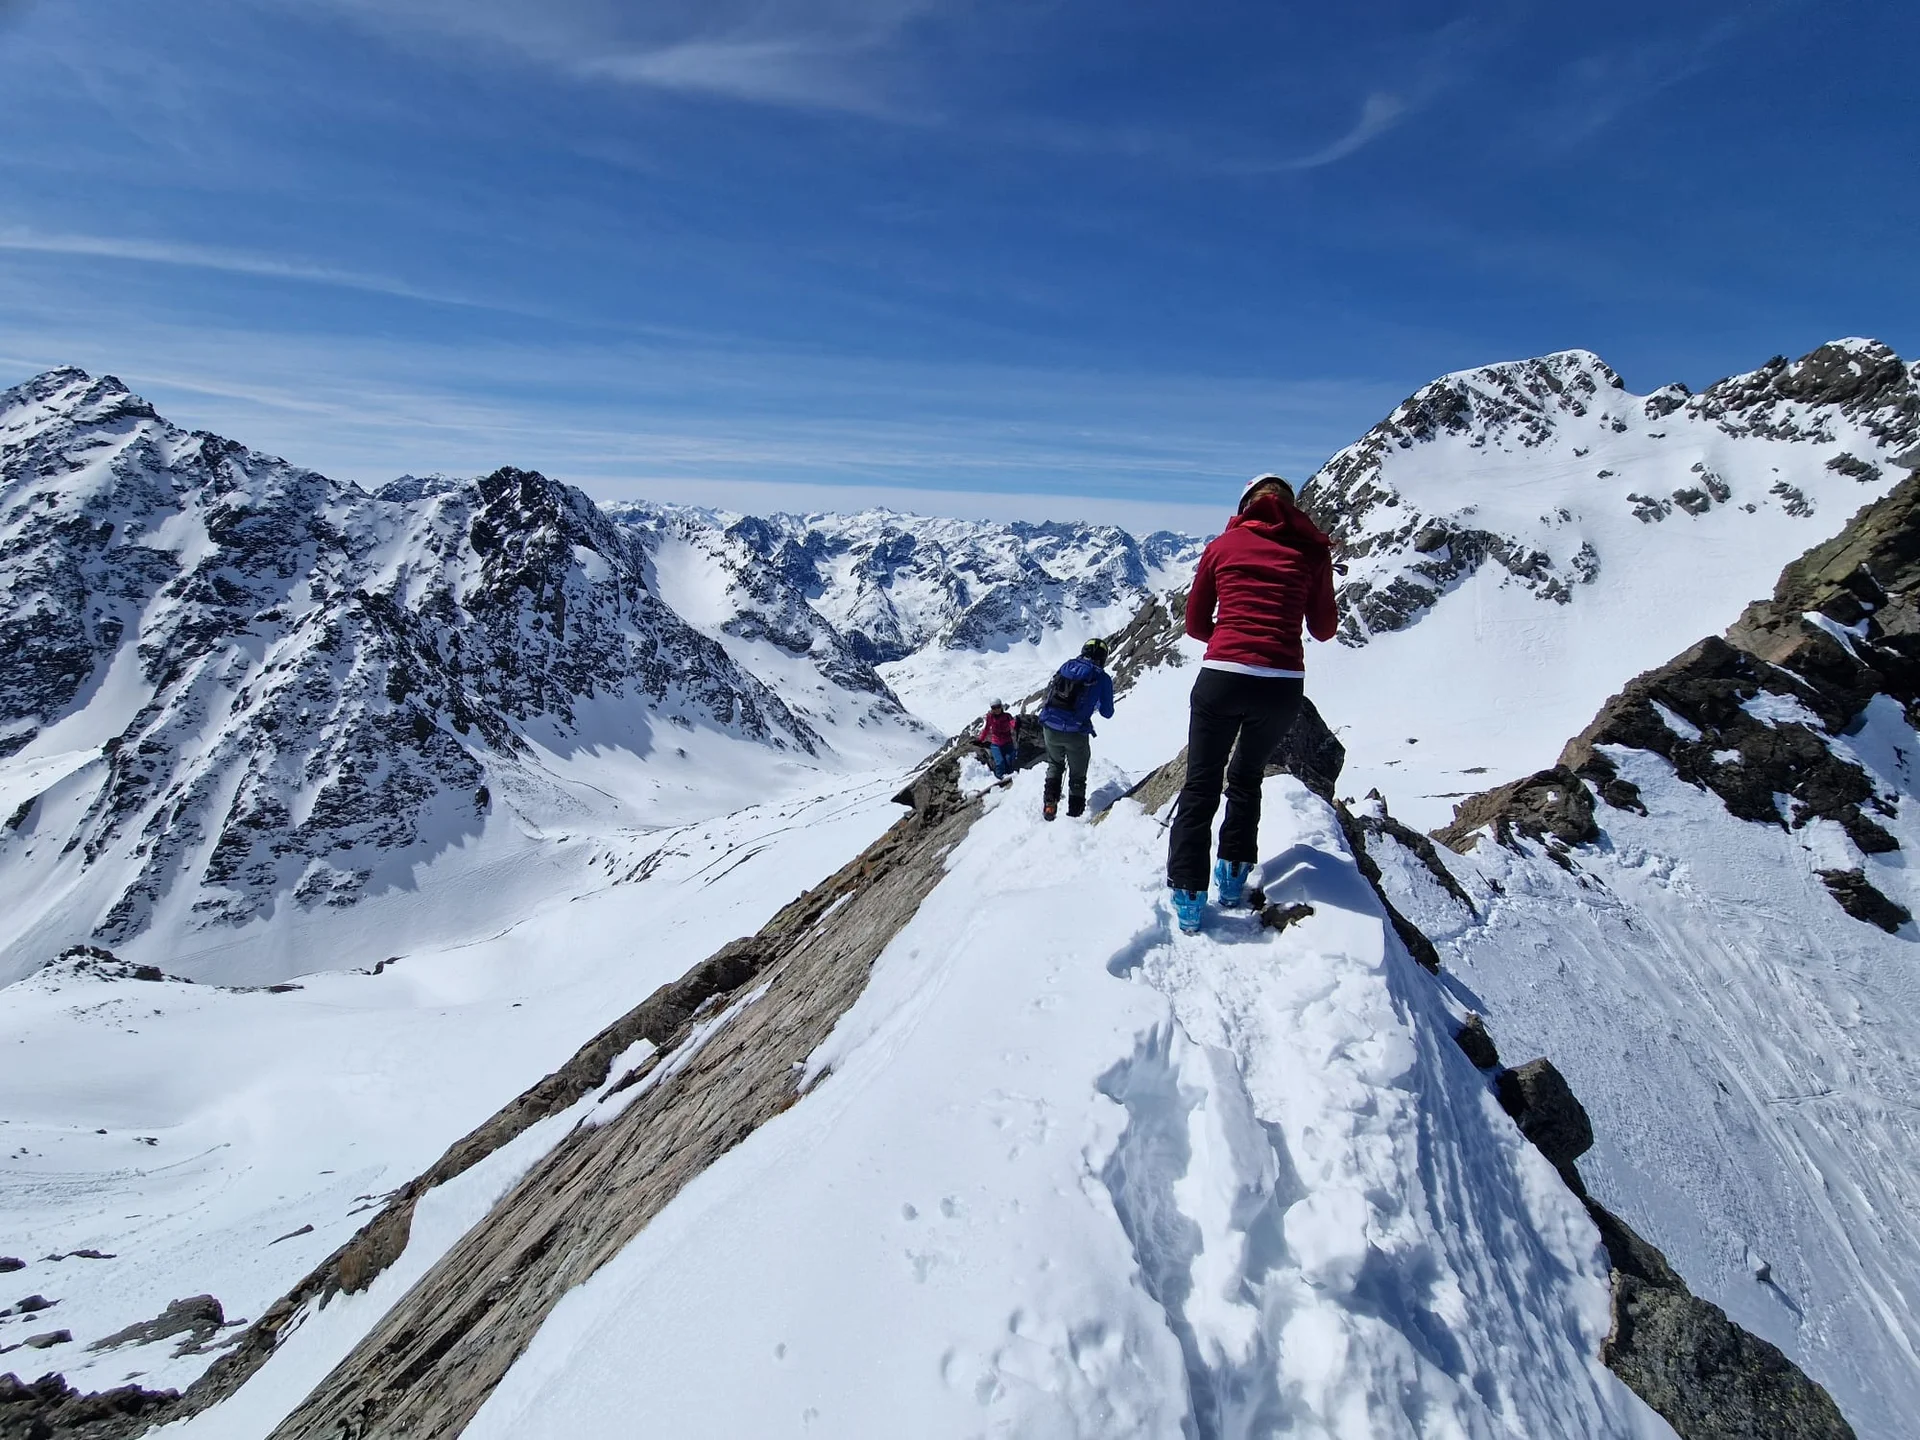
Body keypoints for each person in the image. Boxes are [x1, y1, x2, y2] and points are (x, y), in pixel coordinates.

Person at [1167, 474, 1337, 933]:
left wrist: (1231, 636)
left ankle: (1187, 897)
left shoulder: (1223, 546)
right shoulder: (1312, 551)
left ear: (1246, 506)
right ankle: (1232, 877)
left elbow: (1196, 624)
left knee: (1201, 785)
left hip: (1223, 676)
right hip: (1281, 685)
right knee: (1246, 779)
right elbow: (1323, 629)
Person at [1037, 638, 1116, 821]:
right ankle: (1075, 816)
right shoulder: (1102, 678)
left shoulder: (1067, 666)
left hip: (1050, 727)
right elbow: (1107, 713)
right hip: (1076, 732)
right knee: (1077, 775)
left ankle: (1050, 806)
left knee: (1055, 764)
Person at [977, 699, 1018, 779]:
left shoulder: (1007, 716)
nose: (996, 710)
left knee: (1009, 761)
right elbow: (987, 729)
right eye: (994, 708)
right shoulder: (990, 717)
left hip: (1008, 743)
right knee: (1000, 762)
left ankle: (1008, 777)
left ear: (1001, 706)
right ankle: (999, 779)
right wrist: (980, 740)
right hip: (996, 744)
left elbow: (1012, 723)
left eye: (998, 707)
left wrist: (1016, 724)